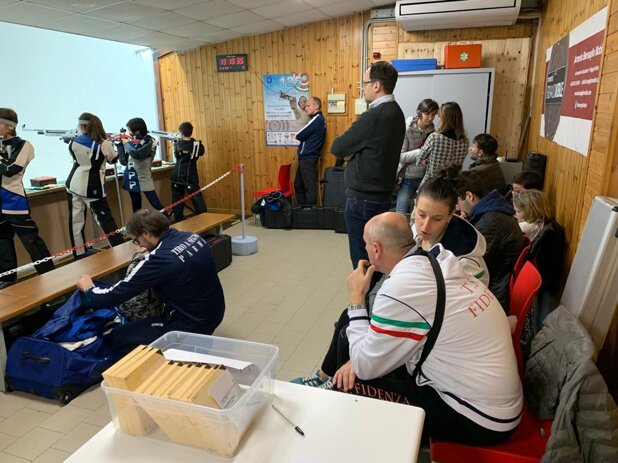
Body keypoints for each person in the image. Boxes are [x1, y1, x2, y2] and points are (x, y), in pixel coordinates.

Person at [298, 212, 522, 446]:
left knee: (352, 387)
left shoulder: (401, 289)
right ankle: (328, 383)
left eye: (365, 245)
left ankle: (332, 416)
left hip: (479, 416)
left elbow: (365, 367)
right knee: (351, 329)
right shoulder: (432, 260)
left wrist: (356, 298)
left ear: (376, 249)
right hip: (484, 391)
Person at [294, 174, 490, 385]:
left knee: (355, 329)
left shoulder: (465, 262)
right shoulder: (417, 233)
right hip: (413, 312)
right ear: (414, 204)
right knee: (348, 317)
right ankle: (324, 377)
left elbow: (430, 312)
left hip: (434, 334)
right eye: (421, 214)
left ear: (451, 215)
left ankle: (337, 383)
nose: (425, 225)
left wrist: (358, 358)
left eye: (437, 219)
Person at [76, 209, 225, 354]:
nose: (139, 245)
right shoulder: (192, 237)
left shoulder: (159, 260)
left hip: (189, 324)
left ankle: (157, 361)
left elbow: (111, 296)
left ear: (146, 233)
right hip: (215, 312)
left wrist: (89, 287)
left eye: (137, 240)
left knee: (117, 337)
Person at [331, 61, 406, 267]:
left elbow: (338, 147)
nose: (362, 88)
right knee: (378, 256)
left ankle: (363, 289)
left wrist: (352, 152)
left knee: (362, 259)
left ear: (376, 85)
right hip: (381, 195)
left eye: (364, 83)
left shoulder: (374, 116)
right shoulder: (397, 112)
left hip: (363, 199)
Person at [455, 170, 525, 313]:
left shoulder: (490, 222)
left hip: (495, 293)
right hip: (499, 279)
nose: (457, 207)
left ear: (469, 196)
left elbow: (474, 263)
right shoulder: (493, 208)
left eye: (458, 202)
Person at [0, 108, 54, 288]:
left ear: (10, 126)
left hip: (14, 201)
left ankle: (50, 277)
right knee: (2, 241)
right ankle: (7, 278)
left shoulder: (24, 145)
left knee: (31, 241)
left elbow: (11, 169)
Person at [66, 113, 124, 258]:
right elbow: (113, 159)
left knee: (76, 221)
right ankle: (119, 250)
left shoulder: (74, 141)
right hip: (93, 187)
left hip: (73, 183)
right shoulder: (104, 144)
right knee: (105, 220)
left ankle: (79, 253)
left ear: (82, 126)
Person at [512, 189, 565, 328]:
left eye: (518, 211)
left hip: (543, 282)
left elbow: (515, 228)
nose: (515, 215)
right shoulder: (545, 225)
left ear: (530, 212)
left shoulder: (532, 227)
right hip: (546, 280)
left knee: (543, 318)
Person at [395, 98, 438, 214]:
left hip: (425, 178)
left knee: (420, 213)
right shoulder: (407, 129)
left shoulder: (433, 132)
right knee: (401, 212)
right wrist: (421, 152)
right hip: (408, 177)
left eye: (433, 115)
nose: (430, 118)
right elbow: (400, 156)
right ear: (419, 112)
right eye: (427, 114)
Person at [115, 117, 166, 213]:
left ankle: (167, 220)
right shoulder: (132, 141)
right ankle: (138, 223)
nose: (129, 133)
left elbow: (137, 153)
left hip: (143, 177)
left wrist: (126, 143)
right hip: (131, 178)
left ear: (137, 131)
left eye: (130, 131)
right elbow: (124, 161)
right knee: (136, 207)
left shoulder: (149, 141)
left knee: (156, 204)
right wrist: (119, 145)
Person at [413, 101, 468, 186]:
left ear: (444, 119)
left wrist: (427, 161)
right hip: (453, 185)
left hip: (432, 184)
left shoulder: (435, 137)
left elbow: (419, 160)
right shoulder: (465, 141)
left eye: (440, 117)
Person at [170, 121, 207, 223]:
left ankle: (178, 220)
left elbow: (177, 157)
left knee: (177, 200)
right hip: (191, 174)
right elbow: (201, 152)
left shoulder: (177, 144)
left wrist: (175, 143)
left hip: (178, 175)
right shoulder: (197, 144)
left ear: (181, 133)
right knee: (197, 199)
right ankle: (205, 218)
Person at [294, 96, 327, 207]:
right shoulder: (317, 119)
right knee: (298, 184)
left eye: (308, 106)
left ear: (316, 106)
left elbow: (299, 135)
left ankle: (310, 210)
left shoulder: (317, 119)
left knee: (309, 186)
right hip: (305, 157)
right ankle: (303, 208)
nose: (305, 108)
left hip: (308, 157)